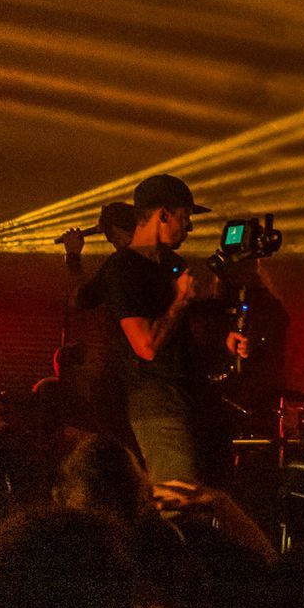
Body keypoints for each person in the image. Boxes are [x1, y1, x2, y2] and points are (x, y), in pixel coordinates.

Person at [97, 174, 247, 486]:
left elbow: (181, 336)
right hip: (156, 401)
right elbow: (146, 347)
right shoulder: (123, 267)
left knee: (205, 490)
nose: (189, 227)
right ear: (163, 214)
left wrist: (223, 343)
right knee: (177, 496)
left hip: (186, 395)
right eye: (186, 216)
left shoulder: (171, 262)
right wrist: (179, 299)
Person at [56, 201, 138, 443]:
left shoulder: (122, 263)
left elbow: (79, 298)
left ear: (110, 229)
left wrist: (72, 256)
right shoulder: (151, 261)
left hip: (127, 372)